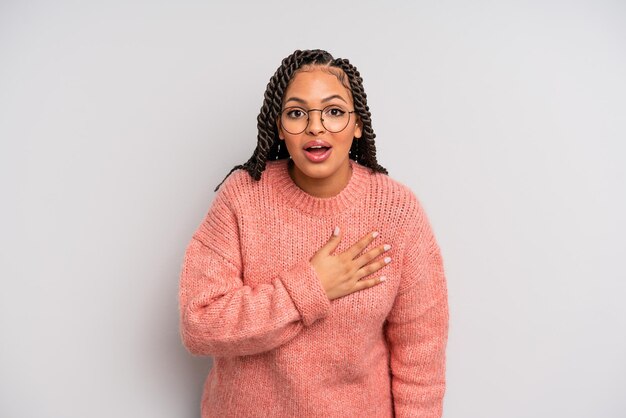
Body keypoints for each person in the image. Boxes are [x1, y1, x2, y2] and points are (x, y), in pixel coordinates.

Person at [178, 49, 449, 418]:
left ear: (357, 125)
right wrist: (310, 288)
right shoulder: (242, 197)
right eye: (296, 113)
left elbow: (421, 357)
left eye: (334, 112)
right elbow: (200, 323)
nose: (315, 127)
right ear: (279, 126)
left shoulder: (398, 211)